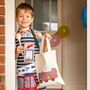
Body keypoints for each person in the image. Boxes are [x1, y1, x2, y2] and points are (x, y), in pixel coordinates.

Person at [15, 3, 51, 90]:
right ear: (16, 19)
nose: (24, 19)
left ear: (32, 19)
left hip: (38, 69)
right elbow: (13, 57)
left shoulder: (37, 34)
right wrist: (16, 51)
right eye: (21, 16)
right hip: (23, 71)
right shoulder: (15, 36)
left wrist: (46, 41)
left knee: (41, 88)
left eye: (27, 16)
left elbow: (44, 51)